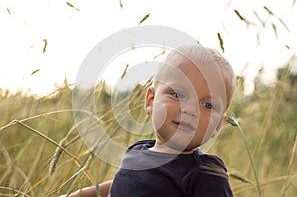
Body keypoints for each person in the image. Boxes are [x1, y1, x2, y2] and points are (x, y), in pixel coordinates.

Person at [63, 44, 235, 197]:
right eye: (178, 95)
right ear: (151, 101)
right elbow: (124, 182)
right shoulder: (137, 151)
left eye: (207, 104)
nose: (191, 109)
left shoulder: (206, 175)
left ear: (218, 125)